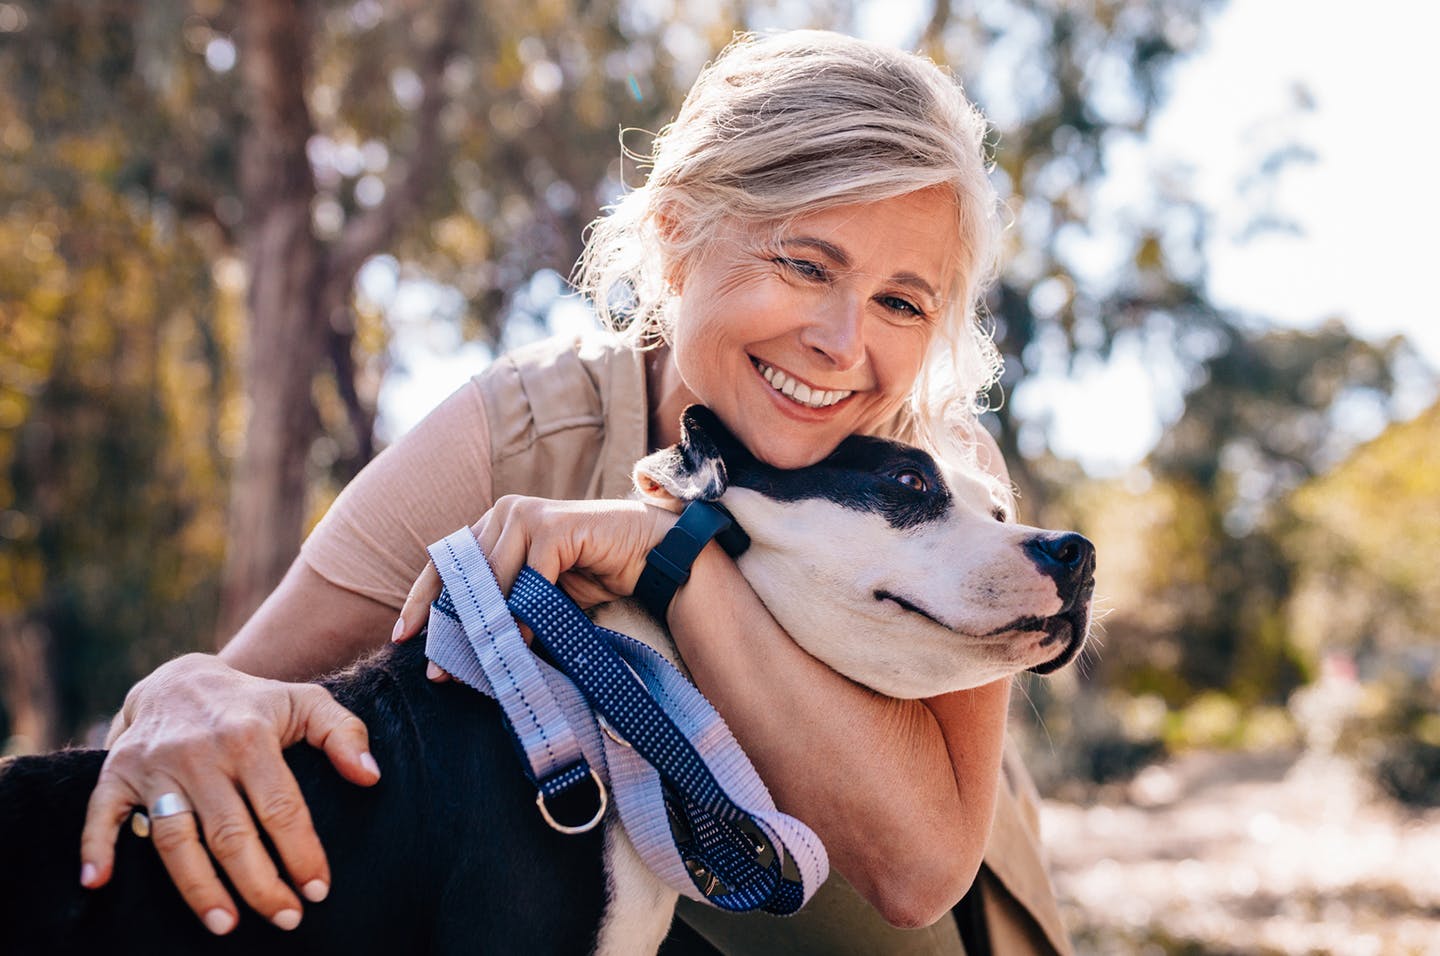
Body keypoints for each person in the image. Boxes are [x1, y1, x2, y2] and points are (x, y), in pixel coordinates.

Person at [78, 29, 1072, 955]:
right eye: (806, 264)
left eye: (902, 301)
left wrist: (663, 554)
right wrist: (182, 692)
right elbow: (238, 685)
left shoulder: (945, 483)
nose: (843, 341)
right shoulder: (519, 430)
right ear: (679, 235)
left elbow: (915, 871)